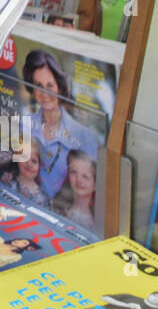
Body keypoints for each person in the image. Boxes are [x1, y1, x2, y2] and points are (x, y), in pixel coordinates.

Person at [19, 49, 99, 199]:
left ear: (60, 87)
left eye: (50, 85)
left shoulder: (85, 137)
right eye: (38, 86)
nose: (45, 94)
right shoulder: (24, 125)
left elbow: (92, 193)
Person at [50, 148, 98, 231]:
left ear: (96, 185)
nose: (79, 180)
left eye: (85, 176)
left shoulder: (97, 222)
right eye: (74, 172)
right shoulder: (56, 206)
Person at [0, 137, 48, 206]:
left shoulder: (42, 198)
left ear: (39, 166)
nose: (29, 164)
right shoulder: (7, 180)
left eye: (34, 161)